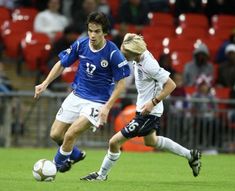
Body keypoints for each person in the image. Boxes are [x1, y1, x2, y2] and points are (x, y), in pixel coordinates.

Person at [80, 33, 201, 181]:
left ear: (134, 53)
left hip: (149, 112)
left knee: (114, 142)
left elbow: (171, 85)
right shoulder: (135, 54)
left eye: (125, 53)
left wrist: (153, 102)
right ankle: (191, 155)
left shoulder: (149, 64)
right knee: (151, 141)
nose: (122, 55)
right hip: (143, 109)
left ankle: (101, 175)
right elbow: (129, 36)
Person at [34, 11, 130, 172]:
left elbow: (121, 83)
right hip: (77, 95)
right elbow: (62, 63)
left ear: (105, 32)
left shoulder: (113, 53)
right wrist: (45, 83)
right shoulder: (81, 44)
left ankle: (53, 168)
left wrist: (107, 107)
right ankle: (76, 154)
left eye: (97, 31)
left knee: (70, 134)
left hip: (97, 102)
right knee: (56, 135)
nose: (93, 35)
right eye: (90, 30)